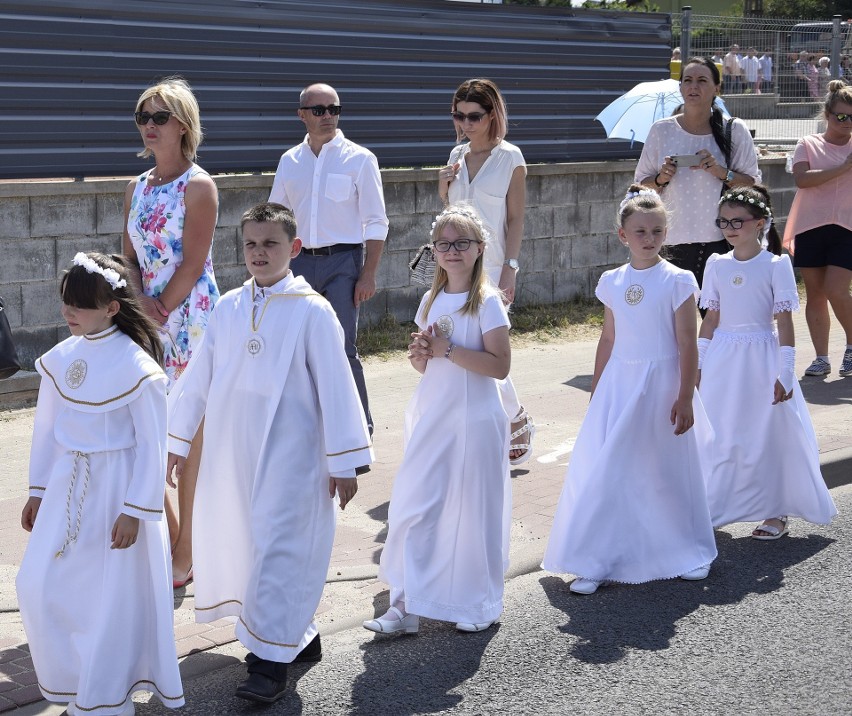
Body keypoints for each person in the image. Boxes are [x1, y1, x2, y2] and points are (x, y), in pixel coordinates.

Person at [166, 203, 372, 704]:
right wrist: (175, 440)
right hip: (234, 452)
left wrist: (342, 461)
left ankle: (268, 665)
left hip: (293, 456)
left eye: (271, 244)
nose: (260, 253)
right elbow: (199, 377)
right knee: (247, 547)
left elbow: (336, 384)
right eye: (251, 244)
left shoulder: (312, 311)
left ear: (294, 249)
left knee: (283, 549)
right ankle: (295, 637)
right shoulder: (229, 307)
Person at [16, 253, 183, 716]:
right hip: (68, 483)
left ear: (112, 306)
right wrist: (37, 490)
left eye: (81, 304)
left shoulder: (138, 368)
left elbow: (152, 443)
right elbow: (47, 428)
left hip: (117, 492)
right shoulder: (60, 358)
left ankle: (105, 698)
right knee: (39, 584)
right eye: (66, 301)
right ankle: (75, 682)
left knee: (108, 597)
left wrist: (136, 509)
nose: (68, 312)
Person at [541, 186, 717, 595]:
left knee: (663, 471)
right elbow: (608, 339)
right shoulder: (612, 281)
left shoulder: (677, 280)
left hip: (662, 385)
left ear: (666, 233)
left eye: (657, 230)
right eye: (640, 231)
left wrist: (686, 395)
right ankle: (597, 558)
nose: (649, 238)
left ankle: (689, 550)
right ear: (623, 235)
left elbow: (687, 343)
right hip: (621, 385)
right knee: (609, 469)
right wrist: (597, 390)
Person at [363, 204, 511, 634]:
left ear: (479, 248)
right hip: (435, 416)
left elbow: (499, 366)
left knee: (472, 511)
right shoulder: (430, 301)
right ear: (434, 249)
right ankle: (404, 605)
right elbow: (427, 367)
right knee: (414, 507)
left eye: (461, 243)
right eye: (443, 244)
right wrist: (421, 356)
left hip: (476, 419)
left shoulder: (487, 302)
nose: (451, 251)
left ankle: (477, 603)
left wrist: (446, 350)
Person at [698, 188, 837, 540]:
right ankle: (717, 504)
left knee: (767, 433)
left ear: (759, 223)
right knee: (722, 431)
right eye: (723, 221)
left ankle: (776, 509)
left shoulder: (776, 265)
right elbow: (711, 318)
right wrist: (697, 365)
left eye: (738, 221)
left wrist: (785, 372)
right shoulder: (717, 264)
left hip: (762, 356)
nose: (729, 228)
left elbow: (785, 321)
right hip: (723, 358)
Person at [124, 76, 219, 589]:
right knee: (143, 428)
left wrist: (163, 306)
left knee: (189, 431)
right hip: (144, 318)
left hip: (191, 319)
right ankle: (175, 533)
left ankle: (186, 549)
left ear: (183, 125)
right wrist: (140, 304)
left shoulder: (199, 185)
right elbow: (130, 258)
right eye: (143, 116)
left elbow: (195, 259)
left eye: (159, 117)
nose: (149, 126)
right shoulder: (135, 187)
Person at [269, 83, 388, 465]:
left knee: (342, 347)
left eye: (333, 108)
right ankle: (305, 430)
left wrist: (367, 275)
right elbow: (276, 218)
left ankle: (358, 433)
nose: (327, 116)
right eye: (318, 109)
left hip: (343, 264)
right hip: (299, 263)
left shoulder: (360, 159)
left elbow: (376, 223)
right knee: (294, 347)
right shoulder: (290, 161)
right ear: (301, 114)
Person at [438, 78, 535, 466]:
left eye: (474, 116)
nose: (466, 124)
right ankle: (508, 417)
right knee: (465, 343)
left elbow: (515, 218)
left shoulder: (511, 157)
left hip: (492, 267)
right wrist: (443, 188)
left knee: (487, 348)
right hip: (455, 266)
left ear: (492, 114)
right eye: (459, 116)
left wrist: (510, 268)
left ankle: (511, 417)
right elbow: (449, 215)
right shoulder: (456, 155)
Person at [636, 57, 760, 291]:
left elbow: (752, 184)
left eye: (702, 80)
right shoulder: (661, 130)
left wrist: (721, 172)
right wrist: (661, 178)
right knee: (672, 323)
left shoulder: (734, 129)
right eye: (688, 80)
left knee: (719, 321)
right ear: (680, 87)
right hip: (669, 242)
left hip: (723, 240)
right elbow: (640, 187)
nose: (694, 86)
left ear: (717, 88)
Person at [783, 80, 852, 377]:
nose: (847, 122)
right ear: (827, 113)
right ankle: (821, 357)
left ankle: (851, 347)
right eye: (841, 116)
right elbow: (802, 179)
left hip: (847, 228)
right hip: (811, 226)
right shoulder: (808, 144)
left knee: (836, 289)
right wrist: (844, 167)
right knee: (815, 293)